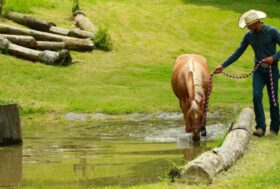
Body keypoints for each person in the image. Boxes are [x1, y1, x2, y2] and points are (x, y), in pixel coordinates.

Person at [214, 9, 280, 137]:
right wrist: (223, 65)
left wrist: (274, 58)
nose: (247, 28)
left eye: (248, 25)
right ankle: (260, 127)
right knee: (256, 96)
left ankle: (274, 128)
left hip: (272, 70)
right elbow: (238, 52)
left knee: (273, 99)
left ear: (255, 23)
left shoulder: (272, 31)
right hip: (258, 71)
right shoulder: (249, 36)